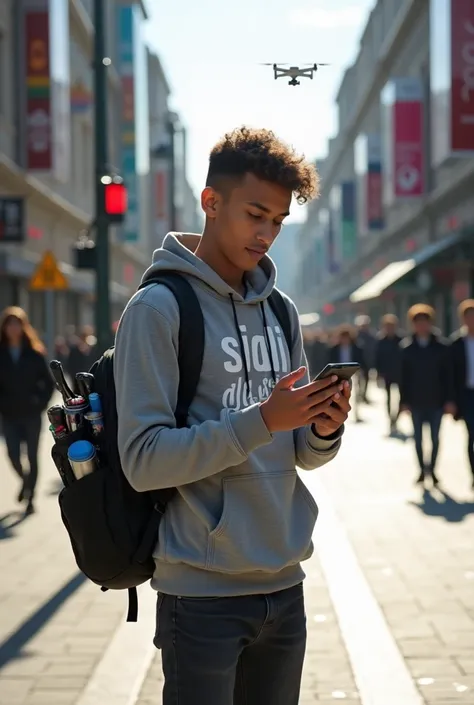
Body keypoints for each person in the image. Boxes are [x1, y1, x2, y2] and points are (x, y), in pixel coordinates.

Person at [114, 126, 350, 705]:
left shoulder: (281, 310)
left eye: (277, 220)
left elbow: (301, 453)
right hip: (201, 594)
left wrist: (322, 428)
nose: (267, 233)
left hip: (285, 584)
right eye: (255, 215)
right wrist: (262, 420)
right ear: (211, 202)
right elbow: (142, 461)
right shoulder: (159, 307)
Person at [0, 306, 54, 514]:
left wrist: (39, 403)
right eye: (9, 324)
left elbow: (48, 384)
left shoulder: (34, 353)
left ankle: (30, 496)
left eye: (17, 324)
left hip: (32, 414)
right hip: (10, 415)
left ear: (23, 327)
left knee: (32, 456)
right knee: (13, 454)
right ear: (4, 328)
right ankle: (25, 481)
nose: (13, 329)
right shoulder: (1, 354)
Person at [399, 304, 456, 486]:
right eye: (418, 323)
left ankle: (433, 469)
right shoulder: (407, 348)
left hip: (437, 401)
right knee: (417, 439)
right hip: (415, 401)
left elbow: (449, 376)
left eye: (425, 322)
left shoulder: (441, 347)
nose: (422, 326)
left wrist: (449, 400)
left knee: (435, 438)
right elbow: (403, 378)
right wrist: (403, 402)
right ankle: (421, 470)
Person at [451, 299, 474, 488]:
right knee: (472, 435)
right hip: (467, 395)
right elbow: (452, 375)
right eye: (468, 317)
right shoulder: (456, 344)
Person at [328, 325, 365, 422]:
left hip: (354, 373)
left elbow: (362, 361)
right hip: (339, 374)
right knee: (340, 395)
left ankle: (357, 414)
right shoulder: (334, 349)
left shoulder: (357, 348)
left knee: (356, 394)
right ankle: (339, 412)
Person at [375, 314, 403, 434]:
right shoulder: (381, 341)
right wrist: (378, 373)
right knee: (388, 398)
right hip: (386, 374)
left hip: (400, 373)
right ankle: (390, 419)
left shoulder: (401, 340)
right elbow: (377, 358)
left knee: (401, 397)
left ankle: (396, 417)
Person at [354, 314, 376, 403]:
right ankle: (359, 393)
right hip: (358, 361)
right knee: (359, 379)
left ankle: (364, 394)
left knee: (367, 379)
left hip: (367, 361)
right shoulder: (356, 336)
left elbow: (373, 349)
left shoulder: (371, 336)